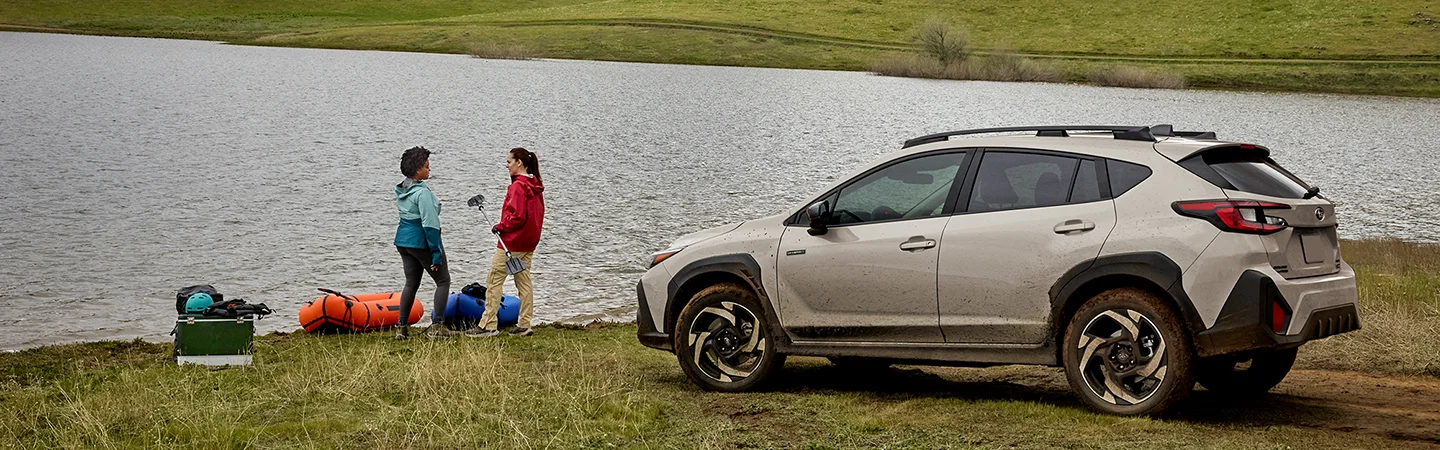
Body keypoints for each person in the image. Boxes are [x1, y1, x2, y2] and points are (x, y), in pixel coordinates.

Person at [468, 148, 545, 337]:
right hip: (529, 242)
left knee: (494, 280)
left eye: (509, 161)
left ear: (519, 163)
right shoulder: (535, 184)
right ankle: (524, 324)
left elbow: (517, 216)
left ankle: (488, 325)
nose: (506, 165)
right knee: (524, 281)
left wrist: (501, 226)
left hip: (512, 242)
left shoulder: (518, 186)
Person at [393, 146, 459, 340]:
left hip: (403, 241)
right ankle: (438, 326)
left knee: (411, 283)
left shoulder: (402, 189)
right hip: (420, 241)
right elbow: (430, 224)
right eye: (427, 166)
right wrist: (436, 252)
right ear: (418, 169)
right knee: (443, 281)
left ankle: (401, 327)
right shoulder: (422, 193)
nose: (429, 170)